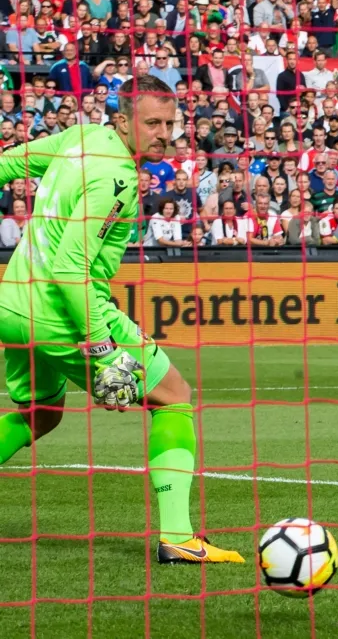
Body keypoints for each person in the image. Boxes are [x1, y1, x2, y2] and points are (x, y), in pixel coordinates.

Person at [0, 76, 244, 564]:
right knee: (174, 396)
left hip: (12, 305)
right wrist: (100, 347)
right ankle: (178, 537)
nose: (163, 133)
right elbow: (71, 267)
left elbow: (6, 162)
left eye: (170, 123)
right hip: (61, 311)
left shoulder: (82, 138)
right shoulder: (118, 177)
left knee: (42, 413)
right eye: (151, 122)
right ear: (123, 120)